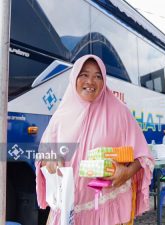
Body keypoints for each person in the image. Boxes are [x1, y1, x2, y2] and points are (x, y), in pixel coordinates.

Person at [35, 55, 154, 225]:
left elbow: (144, 155)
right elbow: (45, 157)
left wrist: (127, 172)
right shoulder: (61, 116)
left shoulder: (120, 112)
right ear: (74, 77)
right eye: (84, 74)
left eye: (98, 76)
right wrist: (51, 162)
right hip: (67, 209)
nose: (90, 81)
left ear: (104, 80)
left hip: (106, 209)